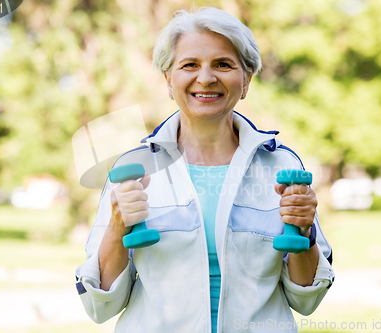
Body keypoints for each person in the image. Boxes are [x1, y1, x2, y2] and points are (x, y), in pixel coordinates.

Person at [76, 7, 334, 333]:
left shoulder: (282, 166)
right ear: (169, 80)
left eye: (223, 64)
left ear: (247, 80)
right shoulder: (133, 170)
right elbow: (100, 306)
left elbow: (306, 300)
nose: (206, 78)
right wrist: (116, 228)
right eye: (190, 65)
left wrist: (305, 231)